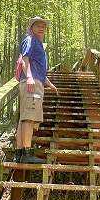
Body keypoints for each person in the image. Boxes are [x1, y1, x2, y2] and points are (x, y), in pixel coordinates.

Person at [15, 16, 58, 163]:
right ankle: (27, 153)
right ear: (31, 27)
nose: (41, 28)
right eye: (38, 25)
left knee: (24, 118)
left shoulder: (38, 44)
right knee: (29, 118)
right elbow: (25, 59)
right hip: (31, 83)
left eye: (43, 26)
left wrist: (48, 83)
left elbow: (38, 68)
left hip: (35, 81)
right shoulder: (30, 40)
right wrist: (29, 77)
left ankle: (20, 152)